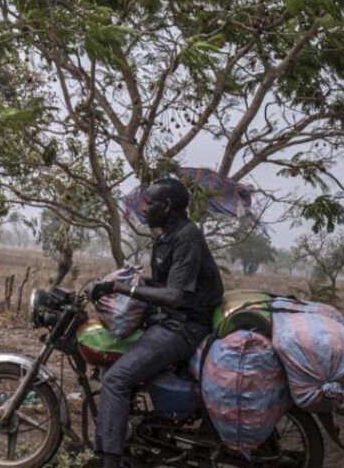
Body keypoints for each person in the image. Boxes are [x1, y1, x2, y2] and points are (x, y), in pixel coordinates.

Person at [89, 177, 223, 468]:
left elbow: (174, 295)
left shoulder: (186, 238)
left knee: (115, 380)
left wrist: (121, 290)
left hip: (183, 326)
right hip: (169, 321)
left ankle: (110, 463)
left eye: (150, 203)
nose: (144, 208)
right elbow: (163, 283)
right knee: (118, 367)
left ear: (168, 206)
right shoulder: (167, 236)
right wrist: (121, 281)